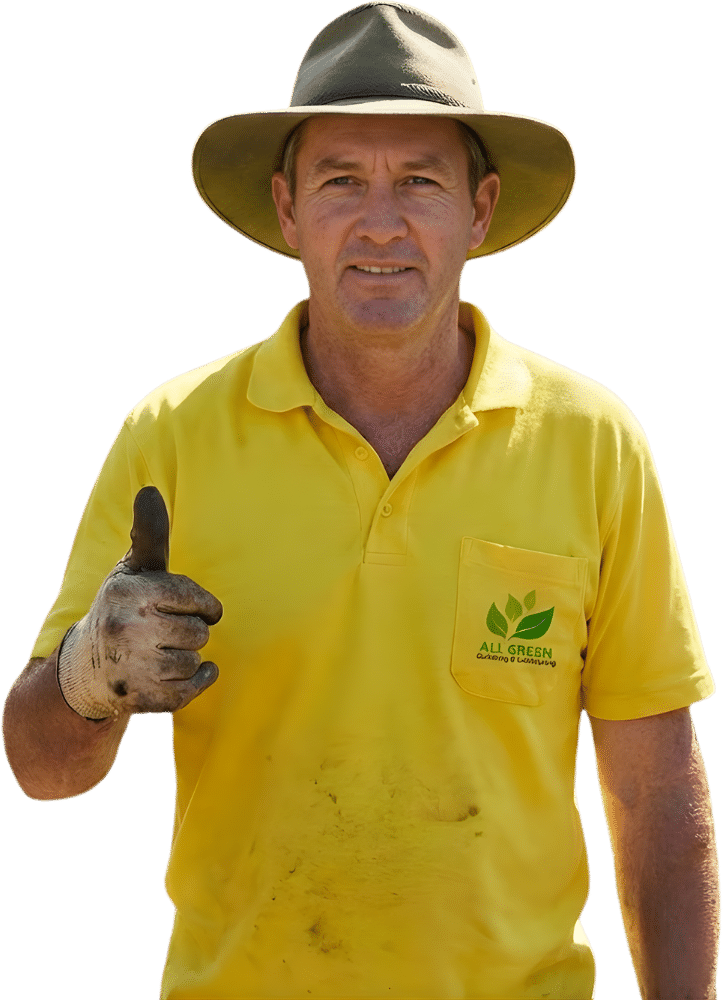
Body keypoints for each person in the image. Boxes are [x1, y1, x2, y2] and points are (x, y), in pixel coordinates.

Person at [2, 3, 719, 998]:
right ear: (289, 207)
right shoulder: (170, 436)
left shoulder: (592, 442)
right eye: (343, 180)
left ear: (481, 207)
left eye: (420, 181)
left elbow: (654, 797)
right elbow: (42, 769)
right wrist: (90, 673)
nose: (380, 223)